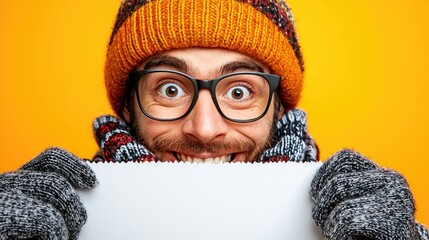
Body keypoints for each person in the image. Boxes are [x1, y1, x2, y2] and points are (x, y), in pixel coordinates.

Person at [0, 0, 427, 239]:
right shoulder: (48, 219)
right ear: (128, 105)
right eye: (170, 88)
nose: (204, 129)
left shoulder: (359, 218)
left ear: (280, 108)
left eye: (240, 92)